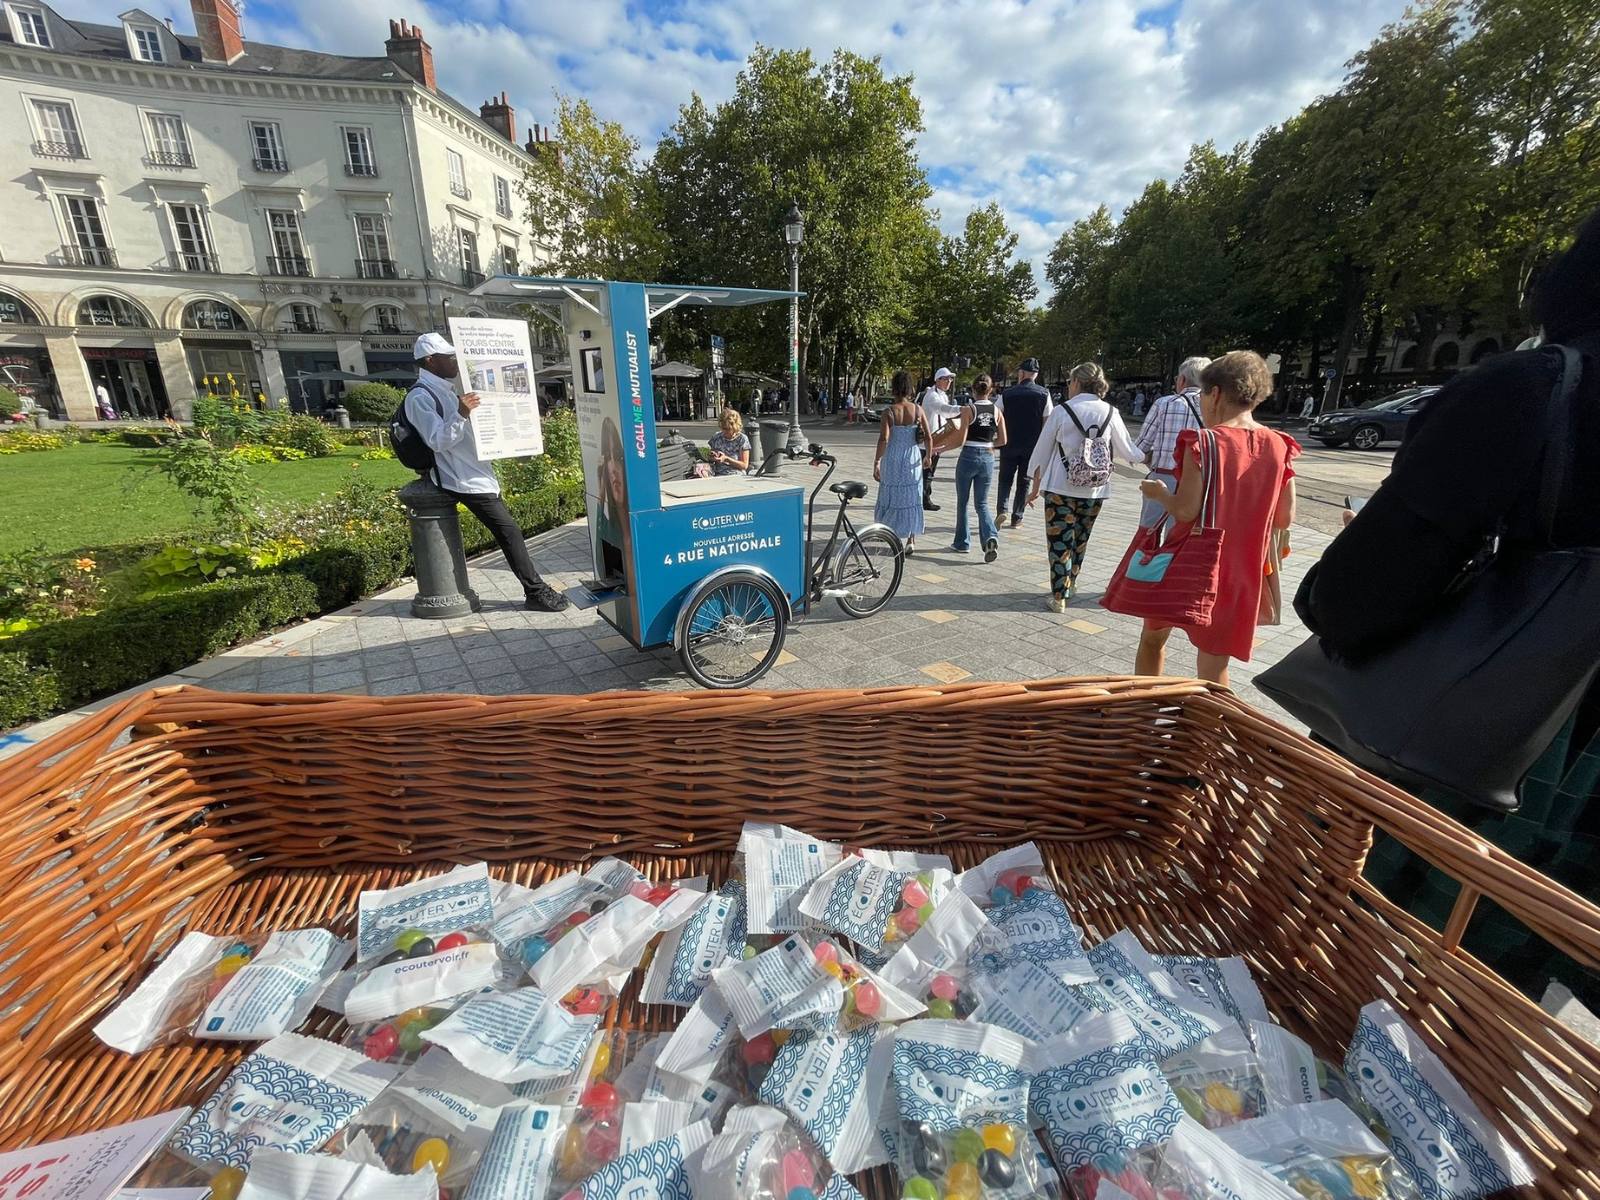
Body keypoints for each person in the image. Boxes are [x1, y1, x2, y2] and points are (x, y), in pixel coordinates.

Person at [1295, 207, 1600, 1008]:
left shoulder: (1538, 390)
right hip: (1578, 788)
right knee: (1518, 992)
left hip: (1507, 741)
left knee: (1395, 974)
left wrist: (1322, 597)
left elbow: (1361, 600)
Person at [1134, 351, 1298, 685]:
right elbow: (1285, 517)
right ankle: (1212, 729)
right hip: (1241, 569)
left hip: (1188, 564)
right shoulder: (1280, 445)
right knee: (1214, 669)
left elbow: (1185, 511)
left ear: (1216, 394)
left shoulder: (1203, 443)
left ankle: (1147, 712)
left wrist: (1158, 493)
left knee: (1152, 641)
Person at [405, 331, 570, 611]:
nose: (455, 362)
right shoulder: (420, 397)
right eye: (449, 357)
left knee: (509, 531)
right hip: (461, 478)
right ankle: (536, 590)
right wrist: (461, 413)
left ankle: (535, 589)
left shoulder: (445, 389)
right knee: (510, 532)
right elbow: (437, 440)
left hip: (475, 471)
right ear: (431, 361)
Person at [1027, 362, 1143, 611]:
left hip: (1060, 488)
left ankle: (1059, 596)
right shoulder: (1111, 412)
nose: (1069, 386)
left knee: (1059, 542)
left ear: (1077, 382)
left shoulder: (1062, 411)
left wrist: (1034, 487)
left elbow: (1041, 453)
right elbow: (1129, 452)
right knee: (1081, 539)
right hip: (1095, 488)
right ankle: (1071, 584)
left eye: (1070, 381)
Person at [1135, 356, 1210, 528]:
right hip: (1197, 483)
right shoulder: (1213, 407)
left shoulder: (1164, 404)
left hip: (1162, 476)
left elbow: (1141, 446)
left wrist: (1147, 457)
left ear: (1182, 380)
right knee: (1178, 535)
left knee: (1148, 533)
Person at [873, 370, 932, 555]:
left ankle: (893, 535)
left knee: (891, 496)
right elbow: (929, 437)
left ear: (894, 388)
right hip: (912, 457)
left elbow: (884, 439)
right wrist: (928, 456)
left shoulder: (889, 412)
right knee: (912, 496)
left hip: (893, 457)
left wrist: (876, 461)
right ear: (910, 388)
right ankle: (911, 539)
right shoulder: (917, 409)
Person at [950, 374, 1007, 561]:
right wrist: (990, 444)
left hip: (968, 455)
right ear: (990, 390)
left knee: (963, 502)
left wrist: (940, 447)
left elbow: (960, 438)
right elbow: (1003, 440)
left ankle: (962, 542)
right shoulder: (997, 411)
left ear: (973, 390)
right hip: (988, 458)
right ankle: (990, 535)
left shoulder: (969, 409)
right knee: (982, 503)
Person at [996, 357, 1053, 528]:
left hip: (1009, 443)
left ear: (1021, 373)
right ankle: (1017, 517)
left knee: (1005, 479)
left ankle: (1002, 510)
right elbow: (1047, 421)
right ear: (1036, 375)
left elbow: (996, 415)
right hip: (1032, 446)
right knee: (1024, 481)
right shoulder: (1044, 394)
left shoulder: (1007, 393)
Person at [919, 367, 961, 511]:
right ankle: (924, 499)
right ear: (938, 380)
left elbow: (947, 414)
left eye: (951, 379)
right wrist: (962, 410)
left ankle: (924, 497)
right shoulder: (932, 396)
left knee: (929, 471)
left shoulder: (942, 395)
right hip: (928, 441)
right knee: (926, 472)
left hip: (938, 439)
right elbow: (942, 409)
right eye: (946, 378)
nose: (949, 381)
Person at [707, 407, 751, 476]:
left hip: (736, 474)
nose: (725, 431)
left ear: (735, 426)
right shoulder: (717, 437)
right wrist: (713, 456)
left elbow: (744, 465)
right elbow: (710, 459)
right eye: (723, 428)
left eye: (728, 429)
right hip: (717, 474)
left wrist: (727, 459)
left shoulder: (742, 439)